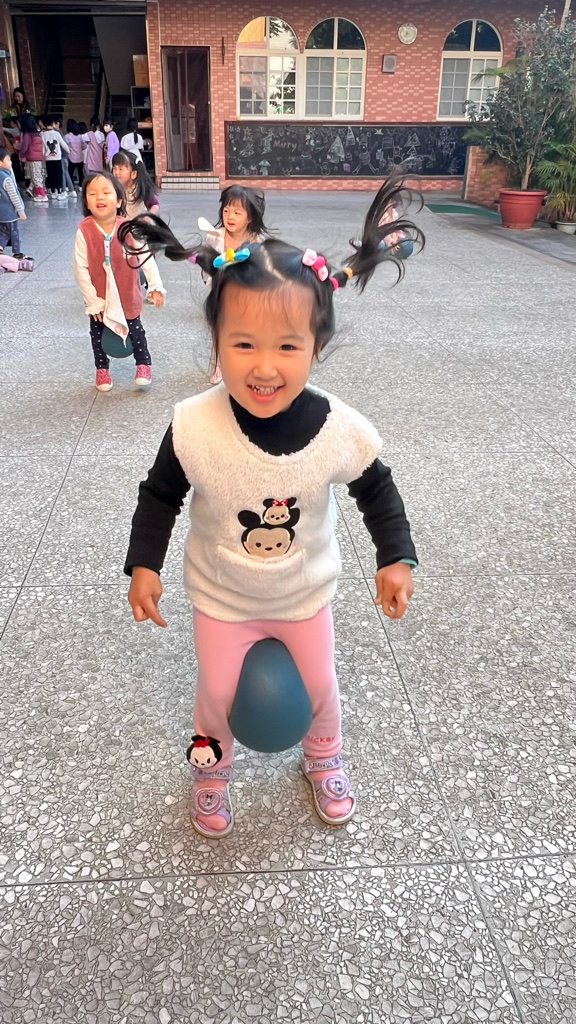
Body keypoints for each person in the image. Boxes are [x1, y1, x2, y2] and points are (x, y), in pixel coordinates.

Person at [122, 177, 424, 839]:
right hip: (222, 597)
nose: (264, 367)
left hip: (302, 595)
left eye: (287, 346)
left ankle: (324, 756)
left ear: (316, 346)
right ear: (216, 343)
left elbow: (376, 487)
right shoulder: (194, 424)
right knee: (215, 694)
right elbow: (161, 493)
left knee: (320, 684)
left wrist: (395, 556)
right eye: (243, 344)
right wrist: (143, 565)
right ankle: (210, 769)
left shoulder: (337, 426)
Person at [72, 170, 166, 392]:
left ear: (119, 200)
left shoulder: (127, 229)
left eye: (106, 192)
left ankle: (143, 364)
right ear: (86, 202)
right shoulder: (84, 231)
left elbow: (145, 257)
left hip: (127, 293)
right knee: (97, 333)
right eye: (93, 193)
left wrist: (155, 286)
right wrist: (92, 300)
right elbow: (80, 268)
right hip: (100, 297)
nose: (100, 197)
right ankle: (102, 368)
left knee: (135, 330)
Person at [200, 184, 270, 383]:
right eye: (226, 210)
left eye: (237, 212)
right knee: (219, 329)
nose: (230, 216)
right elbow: (205, 264)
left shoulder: (257, 240)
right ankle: (217, 364)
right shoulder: (214, 237)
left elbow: (264, 268)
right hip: (220, 292)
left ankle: (245, 364)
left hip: (247, 294)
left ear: (250, 217)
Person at [0, 146, 32, 259]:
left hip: (1, 214)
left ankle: (0, 248)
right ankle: (17, 252)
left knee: (4, 232)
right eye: (8, 159)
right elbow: (14, 196)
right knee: (15, 233)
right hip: (10, 214)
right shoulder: (6, 179)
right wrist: (20, 211)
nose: (11, 162)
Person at [111, 148, 159, 219]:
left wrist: (148, 216)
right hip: (121, 224)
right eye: (114, 168)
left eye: (121, 169)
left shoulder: (140, 189)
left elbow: (155, 205)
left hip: (139, 223)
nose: (116, 172)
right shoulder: (113, 189)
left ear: (133, 174)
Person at [19, 114, 47, 203]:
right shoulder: (37, 134)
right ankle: (37, 194)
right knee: (38, 176)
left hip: (33, 158)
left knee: (36, 177)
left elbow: (24, 147)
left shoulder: (27, 135)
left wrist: (21, 154)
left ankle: (42, 195)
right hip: (40, 158)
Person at [41, 114, 69, 201]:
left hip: (48, 159)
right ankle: (60, 192)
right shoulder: (57, 134)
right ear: (52, 123)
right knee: (58, 175)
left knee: (51, 175)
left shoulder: (42, 134)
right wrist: (69, 151)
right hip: (57, 158)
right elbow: (63, 144)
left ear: (44, 124)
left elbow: (43, 147)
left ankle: (53, 192)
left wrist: (43, 156)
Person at [54, 117, 76, 198]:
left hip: (62, 156)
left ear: (57, 124)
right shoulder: (61, 133)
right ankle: (71, 190)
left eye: (53, 123)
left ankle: (64, 190)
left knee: (63, 173)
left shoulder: (57, 133)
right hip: (65, 156)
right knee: (66, 173)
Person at [64, 120, 84, 188]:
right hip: (80, 157)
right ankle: (80, 185)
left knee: (70, 172)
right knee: (80, 172)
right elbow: (84, 146)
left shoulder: (67, 136)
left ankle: (68, 186)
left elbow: (66, 146)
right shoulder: (80, 137)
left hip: (71, 157)